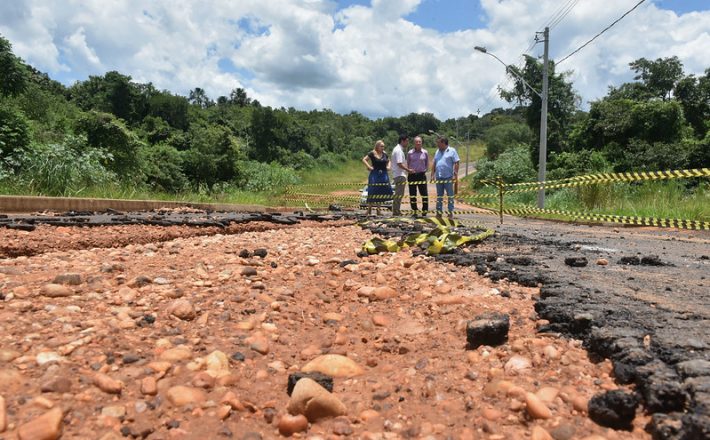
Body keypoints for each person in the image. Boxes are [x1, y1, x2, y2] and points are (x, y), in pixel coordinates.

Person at [362, 140, 393, 216]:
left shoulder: (384, 153)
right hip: (374, 174)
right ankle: (369, 209)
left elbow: (389, 161)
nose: (383, 147)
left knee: (380, 191)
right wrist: (369, 167)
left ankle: (378, 210)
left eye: (383, 146)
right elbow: (364, 159)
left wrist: (389, 166)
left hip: (383, 174)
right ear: (377, 146)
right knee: (372, 191)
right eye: (381, 146)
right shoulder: (372, 153)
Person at [431, 136, 460, 218]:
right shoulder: (437, 151)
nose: (437, 145)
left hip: (448, 177)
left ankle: (450, 212)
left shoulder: (452, 151)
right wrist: (432, 174)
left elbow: (457, 162)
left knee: (450, 195)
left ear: (443, 143)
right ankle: (439, 212)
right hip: (439, 177)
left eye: (438, 143)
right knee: (439, 195)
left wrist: (455, 174)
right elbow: (434, 162)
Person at [390, 134, 412, 216]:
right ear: (402, 141)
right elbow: (399, 163)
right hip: (399, 175)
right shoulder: (398, 150)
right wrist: (408, 170)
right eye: (407, 141)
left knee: (399, 194)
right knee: (399, 194)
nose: (407, 143)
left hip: (398, 174)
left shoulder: (397, 149)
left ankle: (396, 210)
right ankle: (396, 211)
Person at [407, 136, 429, 216]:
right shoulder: (410, 153)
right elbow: (408, 163)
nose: (418, 143)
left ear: (421, 142)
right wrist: (409, 170)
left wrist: (425, 170)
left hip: (421, 175)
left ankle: (425, 210)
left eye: (420, 142)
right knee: (413, 194)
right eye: (417, 142)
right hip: (412, 175)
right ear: (414, 143)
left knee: (424, 194)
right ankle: (415, 210)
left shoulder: (425, 152)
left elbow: (427, 163)